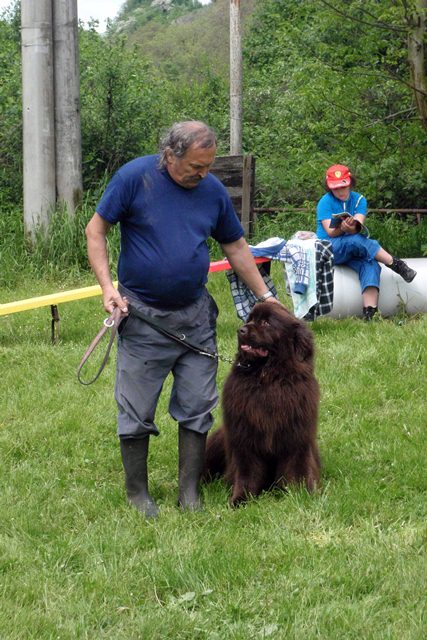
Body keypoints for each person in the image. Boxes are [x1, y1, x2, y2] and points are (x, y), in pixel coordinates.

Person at [85, 120, 279, 517]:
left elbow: (237, 246)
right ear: (170, 155)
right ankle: (138, 493)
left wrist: (267, 297)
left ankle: (189, 492)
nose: (203, 174)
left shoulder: (210, 191)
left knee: (197, 405)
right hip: (142, 317)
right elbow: (96, 230)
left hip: (195, 317)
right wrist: (108, 288)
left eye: (208, 166)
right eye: (196, 166)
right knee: (136, 409)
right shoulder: (134, 178)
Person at [316, 164, 417, 320]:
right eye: (335, 188)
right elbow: (330, 232)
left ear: (350, 183)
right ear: (329, 188)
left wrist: (351, 228)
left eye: (343, 187)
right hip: (329, 248)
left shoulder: (359, 200)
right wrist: (343, 229)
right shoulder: (325, 202)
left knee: (370, 263)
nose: (340, 191)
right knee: (356, 240)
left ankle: (370, 312)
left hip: (351, 245)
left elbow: (358, 226)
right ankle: (395, 264)